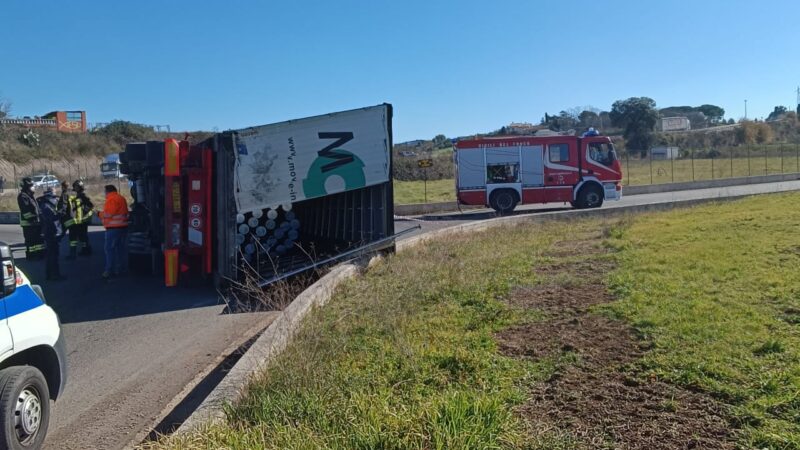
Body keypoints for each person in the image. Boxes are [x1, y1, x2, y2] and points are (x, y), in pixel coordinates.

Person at [100, 184, 129, 279]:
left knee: (109, 249)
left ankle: (109, 270)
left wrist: (99, 214)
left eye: (105, 192)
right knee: (121, 249)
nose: (104, 194)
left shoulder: (111, 199)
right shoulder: (121, 198)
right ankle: (122, 269)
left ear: (108, 191)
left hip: (113, 228)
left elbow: (109, 214)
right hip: (122, 227)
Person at [65, 180, 94, 259]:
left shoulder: (83, 195)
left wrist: (84, 211)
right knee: (82, 236)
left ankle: (83, 251)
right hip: (79, 220)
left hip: (82, 220)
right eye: (75, 187)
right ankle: (85, 250)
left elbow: (90, 205)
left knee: (80, 236)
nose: (76, 188)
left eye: (77, 187)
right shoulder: (77, 195)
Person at [40, 188, 65, 280]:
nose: (56, 199)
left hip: (52, 232)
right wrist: (60, 213)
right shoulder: (46, 206)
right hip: (51, 233)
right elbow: (52, 219)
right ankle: (54, 275)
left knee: (52, 254)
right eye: (54, 196)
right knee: (52, 255)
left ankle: (50, 275)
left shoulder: (47, 205)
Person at [17, 177, 44, 260]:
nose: (33, 187)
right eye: (31, 186)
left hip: (35, 223)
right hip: (29, 224)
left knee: (38, 240)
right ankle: (31, 255)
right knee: (30, 241)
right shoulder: (22, 196)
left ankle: (40, 254)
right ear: (26, 187)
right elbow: (26, 212)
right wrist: (34, 218)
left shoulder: (30, 196)